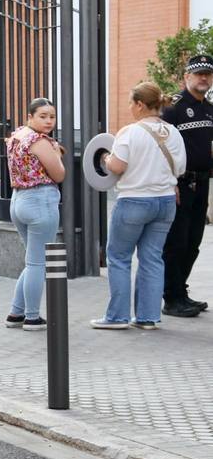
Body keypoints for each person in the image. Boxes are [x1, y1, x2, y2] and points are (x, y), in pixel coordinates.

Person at [91, 82, 186, 330]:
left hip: (134, 200)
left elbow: (118, 166)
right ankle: (148, 317)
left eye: (131, 103)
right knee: (152, 258)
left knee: (119, 257)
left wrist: (105, 158)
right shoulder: (173, 132)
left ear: (140, 104)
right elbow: (182, 169)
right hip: (166, 202)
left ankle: (117, 317)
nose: (130, 108)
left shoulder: (130, 132)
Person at [159, 54, 213, 317]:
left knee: (193, 243)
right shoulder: (173, 108)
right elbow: (160, 147)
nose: (203, 78)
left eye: (208, 74)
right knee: (176, 242)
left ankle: (181, 291)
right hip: (180, 185)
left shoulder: (210, 108)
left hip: (202, 185)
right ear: (187, 77)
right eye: (198, 73)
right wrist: (170, 183)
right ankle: (171, 298)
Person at [5, 99, 66, 330]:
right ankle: (32, 317)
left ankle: (16, 313)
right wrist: (56, 152)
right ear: (30, 116)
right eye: (42, 116)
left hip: (19, 200)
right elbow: (59, 174)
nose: (49, 120)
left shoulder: (18, 134)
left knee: (32, 262)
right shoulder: (39, 141)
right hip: (40, 201)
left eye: (52, 116)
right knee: (38, 263)